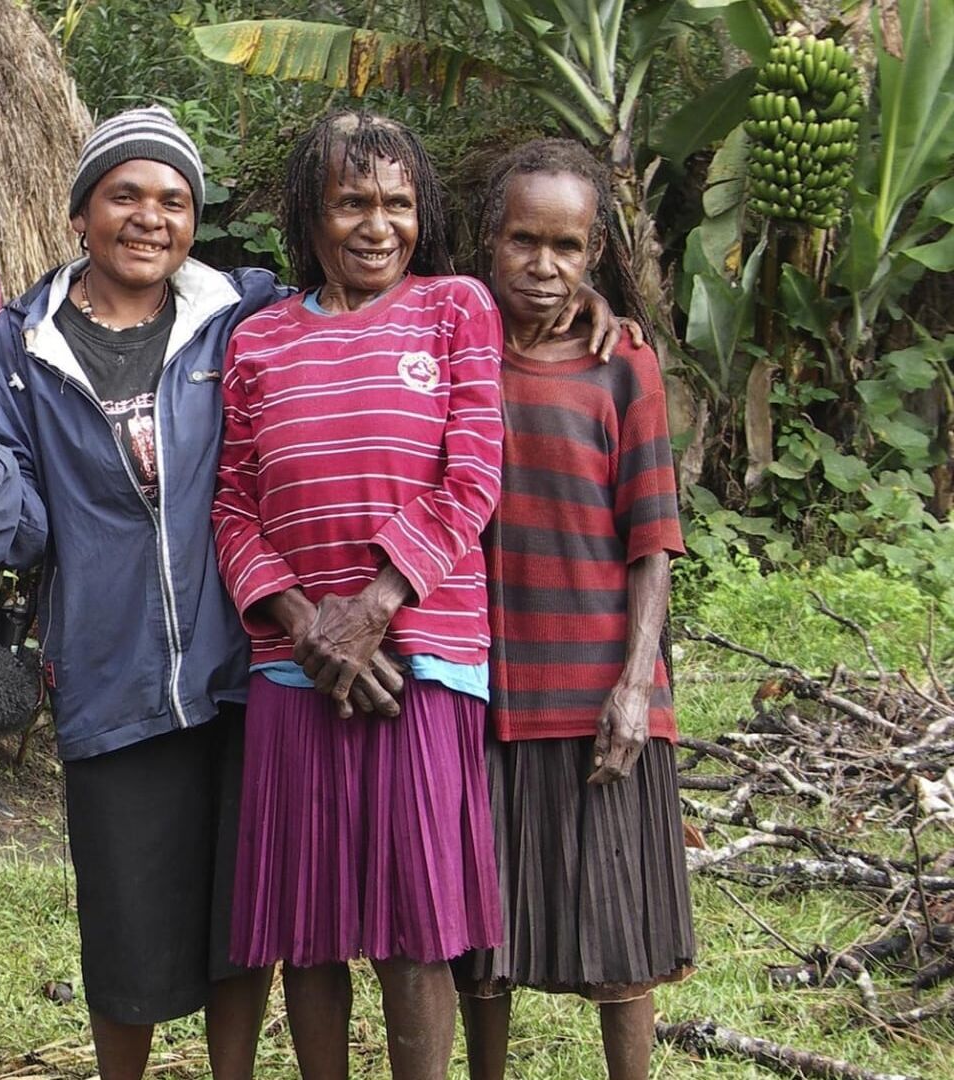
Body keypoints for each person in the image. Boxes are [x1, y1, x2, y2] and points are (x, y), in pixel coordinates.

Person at [0, 106, 286, 1080]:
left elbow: (362, 330)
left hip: (243, 666)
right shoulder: (20, 346)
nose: (150, 217)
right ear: (83, 210)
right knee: (123, 922)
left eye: (173, 199)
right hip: (109, 675)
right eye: (125, 193)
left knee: (240, 915)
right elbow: (15, 529)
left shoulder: (243, 315)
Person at [210, 108, 503, 1080]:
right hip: (298, 670)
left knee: (415, 929)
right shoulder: (257, 343)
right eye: (352, 203)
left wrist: (373, 606)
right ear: (310, 213)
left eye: (398, 204)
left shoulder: (456, 308)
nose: (378, 225)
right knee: (311, 923)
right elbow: (233, 508)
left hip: (420, 658)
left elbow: (474, 478)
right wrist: (308, 628)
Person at [452, 137, 695, 1080]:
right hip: (482, 687)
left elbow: (654, 537)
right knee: (481, 939)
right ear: (490, 239)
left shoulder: (622, 364)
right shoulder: (452, 345)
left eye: (568, 248)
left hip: (598, 688)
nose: (545, 268)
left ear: (595, 253)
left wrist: (637, 684)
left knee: (620, 936)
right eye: (525, 241)